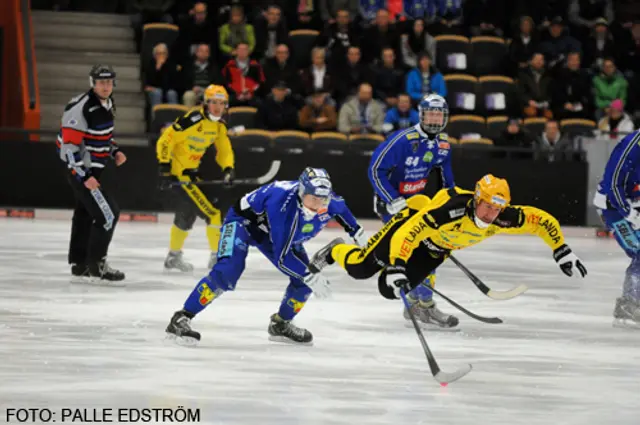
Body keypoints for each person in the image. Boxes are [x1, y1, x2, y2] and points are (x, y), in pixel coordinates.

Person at [310, 174, 587, 304]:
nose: (491, 213)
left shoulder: (504, 216)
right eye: (487, 205)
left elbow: (542, 220)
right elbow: (412, 231)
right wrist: (396, 263)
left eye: (497, 208)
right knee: (360, 268)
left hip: (436, 248)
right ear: (477, 199)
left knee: (388, 290)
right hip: (410, 225)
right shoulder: (451, 211)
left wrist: (560, 248)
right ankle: (335, 251)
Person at [165, 168, 367, 345]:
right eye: (313, 198)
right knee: (227, 272)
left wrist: (358, 233)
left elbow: (344, 213)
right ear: (301, 192)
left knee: (303, 282)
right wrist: (310, 274)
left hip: (274, 229)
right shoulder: (282, 204)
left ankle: (281, 324)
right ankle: (182, 317)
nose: (317, 204)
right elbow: (282, 256)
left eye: (323, 199)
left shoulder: (329, 201)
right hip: (243, 223)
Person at [368, 93, 457, 328]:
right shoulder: (402, 140)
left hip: (417, 203)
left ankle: (419, 303)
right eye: (431, 114)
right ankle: (419, 305)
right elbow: (376, 169)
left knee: (428, 249)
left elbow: (447, 179)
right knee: (411, 249)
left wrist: (451, 203)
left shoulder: (443, 145)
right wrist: (392, 198)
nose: (436, 119)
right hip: (392, 204)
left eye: (440, 114)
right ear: (422, 115)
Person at [56, 64, 126, 282]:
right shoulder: (80, 107)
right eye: (101, 82)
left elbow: (102, 135)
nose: (105, 86)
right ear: (92, 83)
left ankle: (80, 264)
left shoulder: (108, 102)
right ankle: (97, 264)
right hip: (82, 172)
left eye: (109, 82)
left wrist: (114, 150)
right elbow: (68, 148)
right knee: (108, 214)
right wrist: (85, 176)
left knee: (85, 214)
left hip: (95, 169)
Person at [156, 85, 235, 272]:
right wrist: (165, 168)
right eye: (213, 102)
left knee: (186, 215)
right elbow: (166, 140)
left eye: (221, 103)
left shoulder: (219, 125)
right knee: (213, 213)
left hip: (192, 174)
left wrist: (228, 168)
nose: (217, 107)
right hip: (179, 175)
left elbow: (224, 150)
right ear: (206, 103)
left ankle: (173, 257)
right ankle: (217, 258)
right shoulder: (192, 120)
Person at [594, 129, 640, 328]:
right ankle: (629, 304)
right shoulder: (632, 145)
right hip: (615, 210)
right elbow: (614, 183)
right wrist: (629, 213)